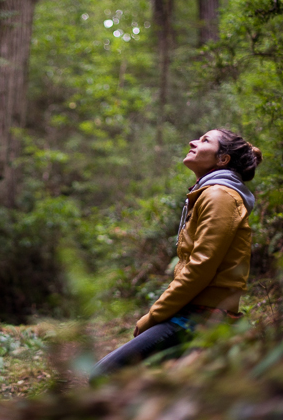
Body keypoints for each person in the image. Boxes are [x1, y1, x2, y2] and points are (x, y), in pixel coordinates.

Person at [90, 129, 263, 381]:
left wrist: (153, 316)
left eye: (205, 140)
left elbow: (200, 268)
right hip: (193, 311)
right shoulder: (210, 193)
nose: (193, 142)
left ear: (222, 159)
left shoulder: (219, 196)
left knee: (104, 376)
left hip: (201, 316)